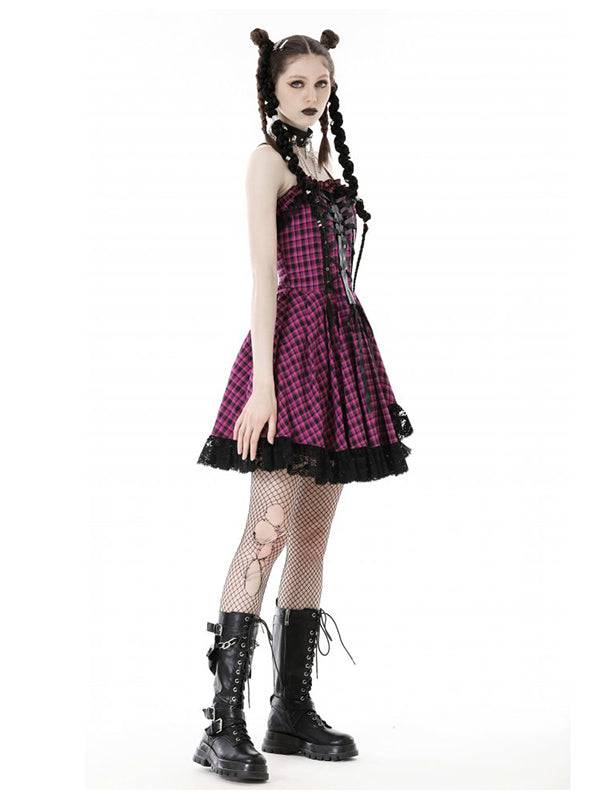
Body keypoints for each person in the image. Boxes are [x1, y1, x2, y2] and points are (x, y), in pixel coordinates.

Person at [193, 28, 414, 783]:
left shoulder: (322, 162)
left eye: (321, 83)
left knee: (312, 538)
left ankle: (290, 709)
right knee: (268, 529)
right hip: (287, 355)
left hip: (340, 357)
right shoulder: (267, 162)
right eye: (298, 84)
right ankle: (222, 723)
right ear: (273, 88)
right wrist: (263, 386)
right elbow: (264, 276)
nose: (312, 96)